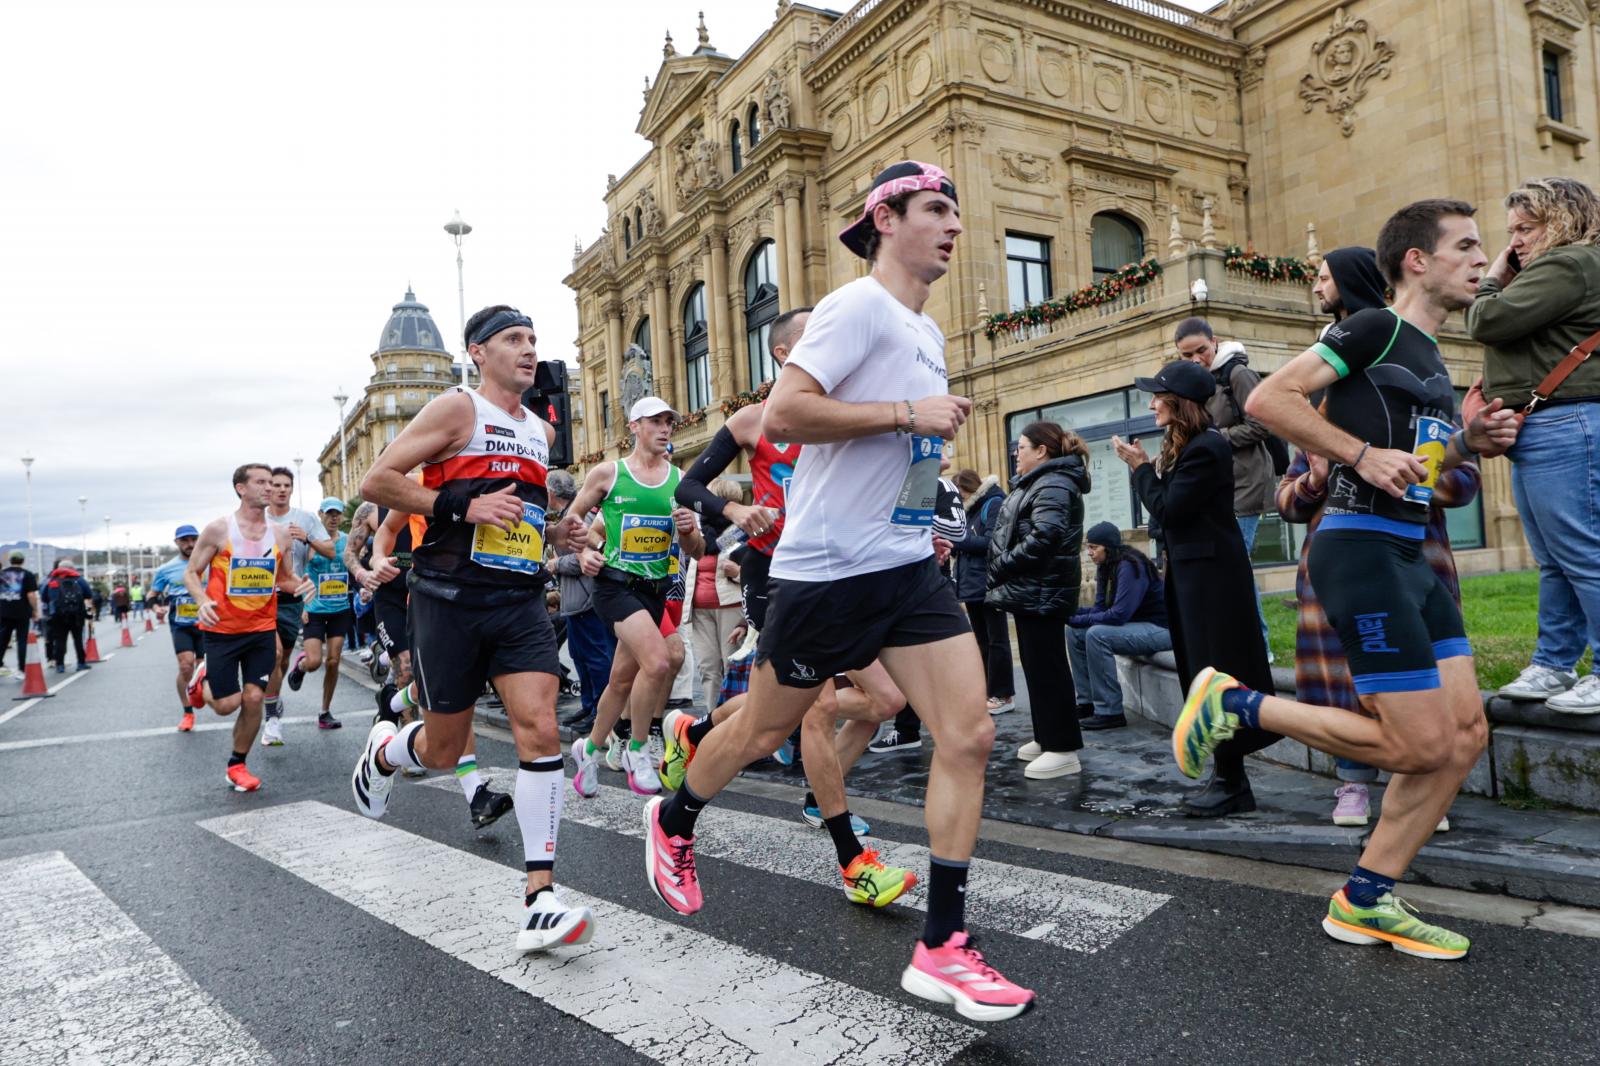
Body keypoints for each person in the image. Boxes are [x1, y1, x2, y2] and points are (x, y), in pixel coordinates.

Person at [643, 161, 1034, 1020]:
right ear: (885, 220)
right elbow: (784, 415)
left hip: (902, 568)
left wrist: (926, 503)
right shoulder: (857, 307)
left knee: (967, 734)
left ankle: (944, 945)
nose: (954, 227)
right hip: (825, 574)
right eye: (936, 209)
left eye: (954, 213)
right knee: (762, 729)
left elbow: (899, 455)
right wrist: (906, 415)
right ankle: (674, 820)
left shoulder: (925, 332)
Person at [1179, 198, 1521, 960]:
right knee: (1415, 746)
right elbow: (1271, 399)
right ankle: (1235, 703)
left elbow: (1423, 473)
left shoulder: (1434, 357)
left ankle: (1366, 898)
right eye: (1465, 246)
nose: (1480, 259)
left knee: (1464, 736)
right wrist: (1359, 456)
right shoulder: (1374, 328)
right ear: (1415, 261)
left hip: (1412, 555)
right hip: (1360, 551)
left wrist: (1468, 443)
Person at [350, 303, 592, 950]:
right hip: (448, 598)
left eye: (534, 339)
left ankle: (540, 894)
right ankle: (384, 753)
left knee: (540, 728)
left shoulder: (540, 431)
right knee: (439, 746)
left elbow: (513, 516)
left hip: (516, 599)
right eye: (513, 339)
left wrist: (553, 528)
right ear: (478, 352)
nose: (528, 349)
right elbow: (380, 481)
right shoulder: (458, 409)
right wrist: (459, 501)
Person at [1112, 360, 1276, 816]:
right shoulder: (1190, 447)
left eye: (1157, 396)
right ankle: (1226, 778)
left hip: (1213, 584)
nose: (1150, 404)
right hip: (1195, 578)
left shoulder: (1206, 448)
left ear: (1178, 403)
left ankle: (1233, 782)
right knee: (1202, 673)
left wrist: (1142, 469)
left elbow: (1172, 510)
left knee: (1214, 672)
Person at [1467, 177, 1600, 714]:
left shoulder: (1567, 264)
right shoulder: (1572, 266)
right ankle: (1553, 663)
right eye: (1512, 231)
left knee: (1581, 554)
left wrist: (1491, 281)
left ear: (1561, 221)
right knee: (1557, 558)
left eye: (1525, 228)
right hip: (1551, 425)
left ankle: (1567, 664)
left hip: (1564, 423)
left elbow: (1487, 321)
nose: (1514, 242)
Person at [564, 396, 704, 798]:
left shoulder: (680, 481)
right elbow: (570, 524)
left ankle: (588, 750)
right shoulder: (609, 474)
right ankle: (638, 751)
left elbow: (696, 550)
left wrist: (690, 529)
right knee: (658, 662)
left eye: (669, 423)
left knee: (622, 680)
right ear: (635, 427)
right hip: (615, 584)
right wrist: (585, 551)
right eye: (656, 422)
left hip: (655, 589)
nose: (665, 429)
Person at [184, 463, 308, 793]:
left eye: (272, 483)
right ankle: (201, 681)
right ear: (241, 488)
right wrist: (201, 600)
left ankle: (237, 764)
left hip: (262, 630)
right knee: (226, 705)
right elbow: (192, 572)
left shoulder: (280, 534)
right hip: (222, 630)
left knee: (254, 698)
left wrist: (302, 586)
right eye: (261, 482)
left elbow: (284, 578)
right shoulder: (218, 530)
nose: (269, 488)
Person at [985, 421, 1089, 778]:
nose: (1017, 453)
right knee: (1036, 666)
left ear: (1042, 451)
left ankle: (1063, 748)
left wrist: (1002, 566)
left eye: (1023, 447)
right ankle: (1048, 737)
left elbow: (1046, 536)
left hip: (1044, 589)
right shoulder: (1041, 481)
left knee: (1049, 668)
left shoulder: (1055, 482)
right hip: (1033, 590)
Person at [1173, 316, 1275, 657]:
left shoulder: (1237, 374)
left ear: (1214, 342)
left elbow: (1262, 423)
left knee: (1236, 570)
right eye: (1186, 355)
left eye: (1201, 350)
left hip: (1245, 484)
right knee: (1230, 569)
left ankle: (1259, 647)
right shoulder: (1198, 381)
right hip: (1220, 486)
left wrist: (1216, 439)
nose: (1196, 359)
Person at [1067, 523, 1170, 730]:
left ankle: (1110, 711)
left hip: (1161, 629)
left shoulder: (1129, 566)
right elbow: (1098, 609)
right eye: (1088, 547)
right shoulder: (1107, 565)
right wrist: (1070, 615)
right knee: (1073, 632)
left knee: (1097, 635)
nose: (1090, 553)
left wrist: (1075, 618)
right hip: (1138, 625)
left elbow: (1118, 615)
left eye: (1094, 547)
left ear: (1108, 547)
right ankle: (1087, 702)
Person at [260, 466, 334, 744]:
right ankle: (272, 719)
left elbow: (328, 550)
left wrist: (307, 537)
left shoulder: (304, 518)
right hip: (262, 598)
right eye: (275, 485)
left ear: (291, 489)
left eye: (285, 485)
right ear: (268, 489)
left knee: (284, 659)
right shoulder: (257, 519)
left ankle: (274, 698)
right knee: (274, 655)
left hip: (294, 596)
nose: (280, 490)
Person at [546, 469, 615, 736]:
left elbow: (587, 557)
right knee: (580, 656)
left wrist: (556, 564)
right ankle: (588, 705)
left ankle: (601, 711)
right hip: (575, 600)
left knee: (596, 658)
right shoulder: (565, 517)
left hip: (588, 599)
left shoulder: (580, 516)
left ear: (552, 492)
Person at [950, 467, 1014, 716]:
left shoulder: (994, 502)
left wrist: (956, 539)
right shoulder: (970, 510)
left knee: (998, 640)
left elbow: (991, 543)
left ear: (971, 487)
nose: (961, 498)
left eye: (962, 493)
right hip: (971, 584)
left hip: (990, 582)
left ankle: (1003, 694)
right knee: (982, 640)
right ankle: (989, 691)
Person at [284, 498, 350, 729]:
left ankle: (324, 712)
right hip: (314, 609)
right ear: (320, 514)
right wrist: (302, 604)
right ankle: (301, 667)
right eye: (329, 513)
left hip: (340, 608)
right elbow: (297, 572)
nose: (334, 518)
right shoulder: (309, 544)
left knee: (333, 661)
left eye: (338, 514)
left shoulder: (347, 541)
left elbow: (354, 564)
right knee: (314, 662)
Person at [682, 479, 744, 714]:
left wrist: (738, 573)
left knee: (731, 666)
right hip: (699, 609)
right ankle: (712, 719)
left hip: (730, 607)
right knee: (708, 667)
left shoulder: (740, 530)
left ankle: (734, 720)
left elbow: (759, 573)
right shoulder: (701, 532)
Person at [149, 526, 204, 731]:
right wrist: (157, 608)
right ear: (177, 543)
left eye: (193, 539)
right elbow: (152, 595)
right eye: (184, 540)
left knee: (202, 667)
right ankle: (188, 712)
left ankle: (200, 692)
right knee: (185, 666)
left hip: (208, 623)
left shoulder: (210, 561)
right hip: (181, 624)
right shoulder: (166, 569)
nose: (190, 544)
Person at [42, 560, 94, 673]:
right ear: (72, 568)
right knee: (78, 639)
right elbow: (89, 595)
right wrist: (89, 614)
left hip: (58, 616)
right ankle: (81, 663)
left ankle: (60, 665)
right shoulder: (79, 579)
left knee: (60, 640)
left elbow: (44, 597)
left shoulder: (51, 580)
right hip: (77, 614)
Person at [0, 550, 40, 678]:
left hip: (4, 611)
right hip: (22, 612)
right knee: (22, 640)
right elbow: (31, 595)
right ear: (23, 561)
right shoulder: (27, 575)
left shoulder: (2, 574)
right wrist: (35, 610)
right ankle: (22, 669)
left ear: (10, 560)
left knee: (3, 639)